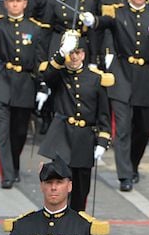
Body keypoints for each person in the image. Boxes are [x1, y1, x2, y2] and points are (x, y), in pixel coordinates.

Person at [81, 0, 149, 192]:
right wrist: (94, 21)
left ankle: (133, 164)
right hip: (121, 75)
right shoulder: (118, 13)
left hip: (145, 77)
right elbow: (106, 22)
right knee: (122, 128)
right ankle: (124, 175)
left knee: (142, 129)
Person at [0, 0, 51, 188]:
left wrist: (43, 85)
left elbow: (39, 59)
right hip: (3, 83)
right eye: (11, 2)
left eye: (18, 2)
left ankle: (14, 165)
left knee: (19, 133)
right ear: (6, 3)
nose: (15, 5)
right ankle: (7, 175)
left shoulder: (35, 28)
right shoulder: (0, 24)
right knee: (2, 131)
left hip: (25, 84)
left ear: (25, 4)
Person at [39, 30, 112, 211]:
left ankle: (77, 224)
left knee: (80, 191)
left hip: (84, 139)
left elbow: (103, 114)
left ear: (84, 54)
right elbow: (47, 76)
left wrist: (102, 141)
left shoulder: (95, 79)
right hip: (61, 137)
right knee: (58, 188)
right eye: (71, 53)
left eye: (77, 52)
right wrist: (61, 53)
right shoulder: (59, 74)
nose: (74, 57)